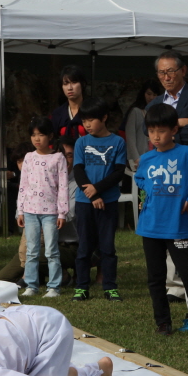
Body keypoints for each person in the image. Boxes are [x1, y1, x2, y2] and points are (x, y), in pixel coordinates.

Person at [134, 103, 188, 337]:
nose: (156, 136)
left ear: (174, 130)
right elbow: (139, 179)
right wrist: (149, 190)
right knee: (156, 278)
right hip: (150, 227)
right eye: (151, 131)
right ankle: (163, 322)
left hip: (178, 226)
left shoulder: (187, 153)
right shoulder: (147, 158)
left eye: (161, 131)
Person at [71, 98, 126, 302]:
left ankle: (110, 287)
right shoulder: (81, 142)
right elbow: (78, 170)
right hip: (85, 203)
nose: (86, 124)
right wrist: (93, 194)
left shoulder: (118, 142)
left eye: (91, 119)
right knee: (84, 246)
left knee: (107, 248)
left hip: (108, 202)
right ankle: (81, 287)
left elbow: (118, 172)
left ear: (104, 118)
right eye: (84, 120)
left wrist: (98, 190)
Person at [16, 117, 68, 299]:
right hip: (30, 211)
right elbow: (23, 185)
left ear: (51, 136)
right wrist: (20, 210)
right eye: (33, 135)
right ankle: (31, 285)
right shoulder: (29, 158)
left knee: (51, 250)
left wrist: (62, 212)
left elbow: (63, 186)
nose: (37, 139)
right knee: (31, 250)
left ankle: (54, 287)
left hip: (50, 213)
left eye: (41, 134)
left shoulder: (58, 158)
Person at [146, 51, 188, 146]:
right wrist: (179, 122)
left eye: (170, 72)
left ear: (183, 71)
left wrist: (167, 138)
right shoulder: (154, 104)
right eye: (161, 73)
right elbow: (145, 129)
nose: (166, 78)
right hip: (162, 157)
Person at [124, 79, 161, 173]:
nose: (151, 97)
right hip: (139, 157)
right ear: (143, 93)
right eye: (149, 94)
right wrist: (136, 158)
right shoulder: (136, 112)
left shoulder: (158, 113)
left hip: (155, 157)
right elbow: (130, 137)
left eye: (154, 95)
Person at [50, 65, 89, 141]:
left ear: (83, 84)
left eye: (74, 82)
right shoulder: (58, 113)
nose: (70, 88)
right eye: (66, 83)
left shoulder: (92, 110)